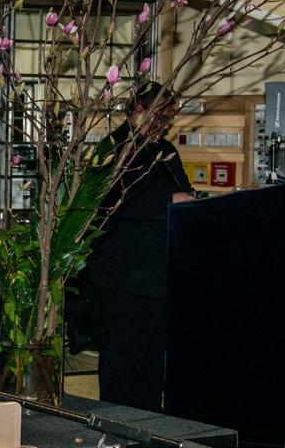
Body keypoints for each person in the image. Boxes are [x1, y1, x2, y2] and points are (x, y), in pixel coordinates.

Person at [84, 81, 195, 412]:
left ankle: (148, 423)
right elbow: (109, 202)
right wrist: (168, 201)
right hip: (124, 277)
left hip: (159, 277)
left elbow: (183, 189)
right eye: (160, 117)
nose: (165, 126)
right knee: (123, 361)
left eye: (169, 119)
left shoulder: (165, 150)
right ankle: (118, 423)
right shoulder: (113, 149)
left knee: (152, 364)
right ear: (138, 111)